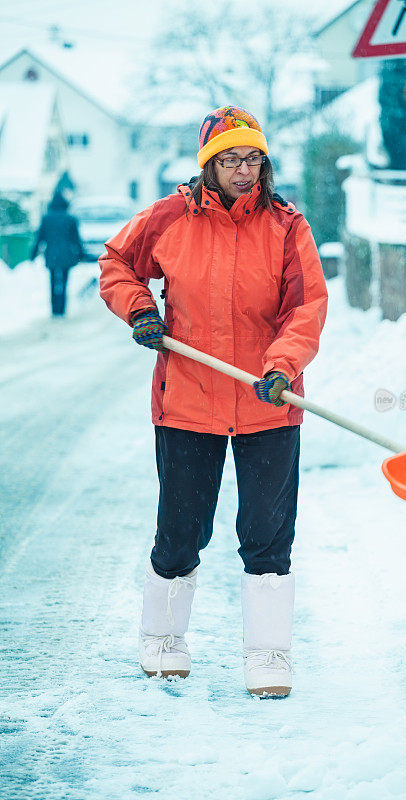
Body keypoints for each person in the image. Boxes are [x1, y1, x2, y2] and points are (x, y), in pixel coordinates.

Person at [99, 106, 328, 697]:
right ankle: (163, 638)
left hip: (268, 401)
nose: (243, 170)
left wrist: (282, 366)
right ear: (208, 165)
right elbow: (117, 263)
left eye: (252, 158)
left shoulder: (285, 224)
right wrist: (141, 309)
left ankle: (269, 654)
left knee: (268, 534)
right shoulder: (171, 215)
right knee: (180, 530)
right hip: (189, 400)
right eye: (229, 160)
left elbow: (306, 307)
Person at [31, 190, 84, 316]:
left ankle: (54, 308)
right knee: (64, 281)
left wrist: (33, 254)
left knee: (52, 280)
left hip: (51, 255)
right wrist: (81, 254)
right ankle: (62, 308)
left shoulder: (46, 218)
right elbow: (76, 239)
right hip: (67, 255)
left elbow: (40, 238)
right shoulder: (70, 219)